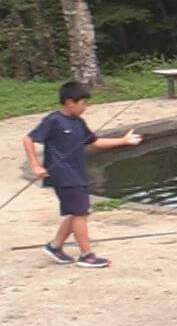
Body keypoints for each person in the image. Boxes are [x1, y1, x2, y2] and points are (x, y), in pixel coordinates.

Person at [21, 81, 143, 267]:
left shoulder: (79, 123)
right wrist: (35, 165)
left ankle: (55, 246)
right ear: (70, 102)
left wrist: (124, 140)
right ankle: (86, 255)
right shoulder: (53, 120)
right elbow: (29, 138)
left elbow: (95, 142)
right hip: (63, 175)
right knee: (79, 212)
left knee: (79, 213)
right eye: (83, 103)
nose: (85, 107)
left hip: (77, 173)